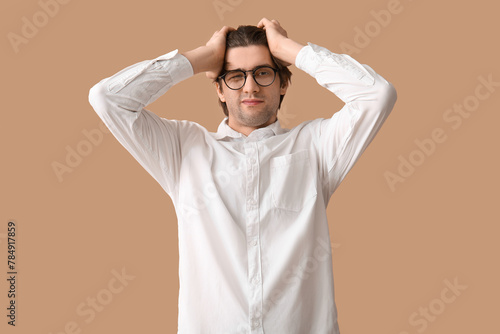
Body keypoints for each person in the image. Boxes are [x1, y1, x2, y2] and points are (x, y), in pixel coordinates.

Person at [88, 18, 397, 334]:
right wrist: (199, 58)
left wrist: (290, 51)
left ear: (283, 83)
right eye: (236, 76)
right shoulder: (183, 149)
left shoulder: (315, 147)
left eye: (263, 72)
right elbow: (107, 99)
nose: (250, 86)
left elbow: (377, 95)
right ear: (219, 89)